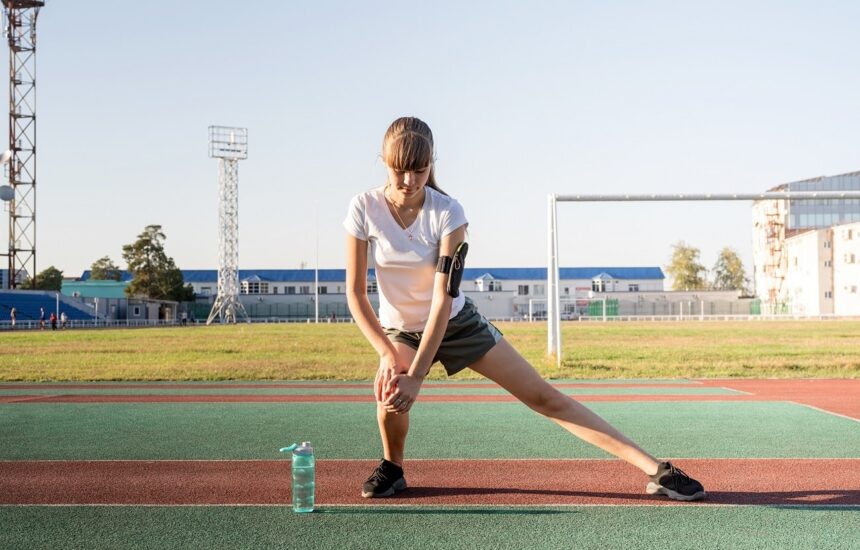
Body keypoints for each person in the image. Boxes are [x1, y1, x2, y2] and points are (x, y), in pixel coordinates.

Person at [343, 116, 705, 502]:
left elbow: (441, 300)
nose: (410, 181)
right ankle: (393, 467)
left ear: (432, 164)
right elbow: (355, 292)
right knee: (389, 390)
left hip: (455, 321)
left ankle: (658, 470)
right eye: (400, 170)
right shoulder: (363, 208)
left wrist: (417, 375)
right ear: (383, 161)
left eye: (420, 169)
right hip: (400, 330)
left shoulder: (449, 212)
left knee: (544, 397)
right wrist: (387, 353)